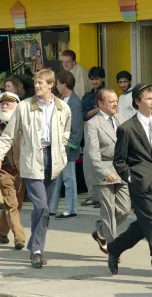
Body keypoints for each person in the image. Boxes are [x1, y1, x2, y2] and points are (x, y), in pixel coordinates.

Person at [0, 69, 71, 269]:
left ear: (51, 84)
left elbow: (67, 131)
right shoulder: (23, 107)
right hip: (32, 160)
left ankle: (34, 243)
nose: (37, 86)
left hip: (54, 160)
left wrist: (61, 148)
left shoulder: (62, 108)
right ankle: (37, 251)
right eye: (36, 82)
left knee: (45, 210)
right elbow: (8, 136)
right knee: (41, 206)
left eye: (41, 83)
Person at [107, 83, 152, 287]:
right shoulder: (126, 128)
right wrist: (131, 177)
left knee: (143, 225)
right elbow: (119, 160)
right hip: (139, 183)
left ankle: (115, 247)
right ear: (138, 101)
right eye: (148, 98)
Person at [83, 87, 131, 254]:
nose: (115, 104)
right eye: (111, 102)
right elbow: (92, 155)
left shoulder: (121, 118)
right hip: (103, 172)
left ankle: (101, 231)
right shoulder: (92, 124)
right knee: (109, 211)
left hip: (121, 169)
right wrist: (104, 172)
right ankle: (114, 249)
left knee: (125, 209)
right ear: (100, 103)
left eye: (116, 101)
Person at [50, 71, 83, 219]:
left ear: (64, 84)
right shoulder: (63, 98)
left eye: (57, 83)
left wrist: (69, 146)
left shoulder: (74, 102)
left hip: (68, 147)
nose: (56, 86)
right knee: (57, 179)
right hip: (60, 146)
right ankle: (52, 208)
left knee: (69, 179)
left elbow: (77, 128)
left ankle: (71, 209)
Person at [0, 92, 25, 250]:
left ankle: (2, 231)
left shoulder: (23, 125)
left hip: (22, 171)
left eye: (9, 103)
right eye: (2, 103)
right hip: (4, 171)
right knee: (11, 204)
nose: (5, 105)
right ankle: (19, 237)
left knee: (18, 204)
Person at [81, 66, 106, 208]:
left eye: (97, 79)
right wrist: (98, 109)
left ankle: (103, 197)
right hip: (89, 131)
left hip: (105, 131)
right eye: (92, 79)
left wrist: (95, 110)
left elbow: (110, 111)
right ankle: (92, 196)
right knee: (88, 164)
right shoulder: (87, 96)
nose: (94, 82)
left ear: (102, 78)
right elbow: (83, 115)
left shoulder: (108, 94)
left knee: (103, 164)